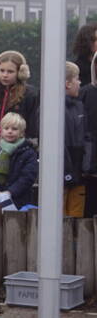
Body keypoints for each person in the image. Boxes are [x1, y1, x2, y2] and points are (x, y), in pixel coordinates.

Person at [0, 50, 39, 174]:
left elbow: (32, 126)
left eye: (10, 71)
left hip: (19, 149)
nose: (5, 75)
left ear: (20, 73)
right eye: (2, 70)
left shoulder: (30, 95)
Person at [0, 112, 38, 210]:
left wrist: (10, 192)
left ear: (21, 132)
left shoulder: (29, 152)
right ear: (1, 131)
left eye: (14, 129)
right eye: (6, 128)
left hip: (20, 200)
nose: (10, 131)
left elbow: (28, 177)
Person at [64, 62, 89, 217]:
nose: (80, 82)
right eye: (77, 79)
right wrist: (67, 172)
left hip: (79, 173)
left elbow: (86, 138)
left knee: (76, 216)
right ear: (67, 83)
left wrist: (85, 167)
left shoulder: (79, 106)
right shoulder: (50, 108)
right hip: (63, 175)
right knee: (59, 215)